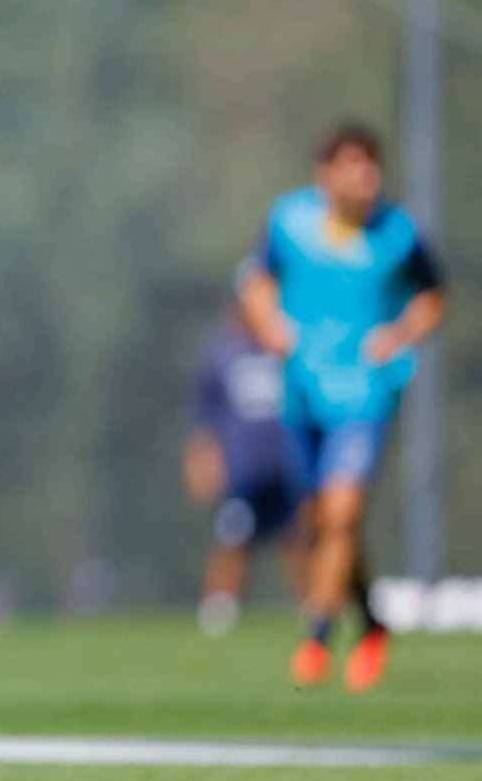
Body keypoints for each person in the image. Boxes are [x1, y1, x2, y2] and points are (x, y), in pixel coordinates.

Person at [242, 122, 447, 692]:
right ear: (325, 174)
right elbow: (257, 284)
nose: (367, 178)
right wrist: (269, 325)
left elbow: (433, 296)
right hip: (302, 391)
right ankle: (373, 622)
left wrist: (399, 334)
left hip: (364, 393)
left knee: (343, 511)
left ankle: (317, 638)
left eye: (373, 166)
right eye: (355, 166)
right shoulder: (289, 221)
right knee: (319, 523)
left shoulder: (399, 233)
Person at [183, 268, 305, 637]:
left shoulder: (287, 343)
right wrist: (202, 463)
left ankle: (314, 613)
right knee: (233, 538)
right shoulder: (221, 351)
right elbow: (204, 419)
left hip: (287, 464)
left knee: (297, 540)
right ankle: (218, 612)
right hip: (242, 469)